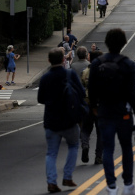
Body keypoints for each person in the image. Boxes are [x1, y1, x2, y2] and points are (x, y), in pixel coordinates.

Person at [89, 28, 135, 195]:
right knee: (127, 148)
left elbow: (92, 90)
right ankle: (128, 185)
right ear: (124, 43)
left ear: (106, 43)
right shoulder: (128, 64)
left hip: (105, 111)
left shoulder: (97, 63)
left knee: (108, 149)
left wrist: (94, 108)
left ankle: (111, 186)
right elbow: (132, 93)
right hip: (124, 113)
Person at [37, 48, 83, 193]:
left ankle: (51, 182)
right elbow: (81, 92)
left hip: (51, 120)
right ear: (64, 60)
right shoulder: (70, 75)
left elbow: (40, 99)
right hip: (69, 119)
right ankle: (67, 176)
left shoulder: (45, 78)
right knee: (74, 145)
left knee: (51, 153)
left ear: (49, 61)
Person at [80, 50, 104, 165]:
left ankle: (85, 145)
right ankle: (98, 156)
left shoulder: (85, 72)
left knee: (85, 128)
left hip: (88, 103)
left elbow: (81, 88)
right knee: (101, 132)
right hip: (100, 105)